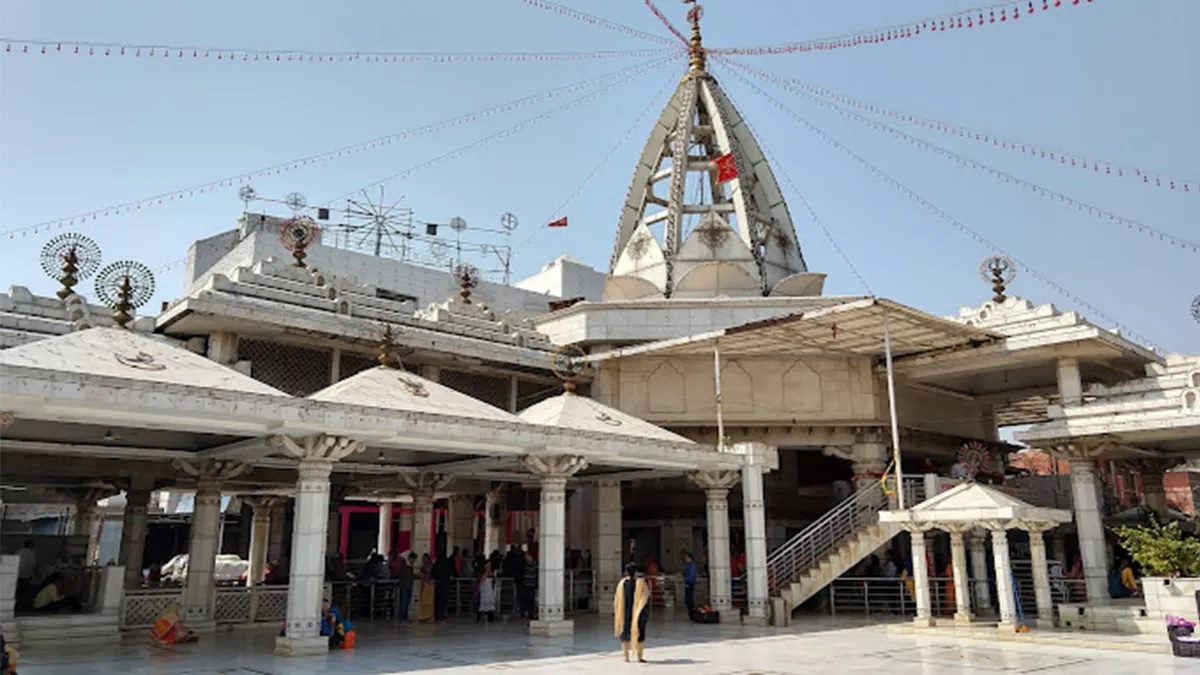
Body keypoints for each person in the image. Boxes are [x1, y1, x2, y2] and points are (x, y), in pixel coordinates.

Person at [613, 562, 650, 663]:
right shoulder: (641, 583)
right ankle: (639, 656)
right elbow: (645, 596)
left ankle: (626, 657)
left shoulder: (622, 584)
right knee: (639, 632)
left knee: (625, 633)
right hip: (637, 611)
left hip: (625, 611)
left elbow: (616, 599)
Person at [15, 540, 35, 611]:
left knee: (18, 590)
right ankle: (23, 606)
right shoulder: (31, 552)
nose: (33, 546)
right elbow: (33, 564)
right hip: (27, 575)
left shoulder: (18, 551)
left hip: (18, 574)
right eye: (33, 545)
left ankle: (17, 603)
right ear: (29, 545)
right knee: (25, 591)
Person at [396, 553, 416, 621]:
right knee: (404, 601)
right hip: (405, 585)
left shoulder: (409, 566)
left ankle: (405, 616)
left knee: (407, 601)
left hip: (408, 585)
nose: (413, 561)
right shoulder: (405, 566)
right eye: (413, 559)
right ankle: (403, 616)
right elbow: (408, 576)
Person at [519, 550, 538, 619]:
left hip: (531, 584)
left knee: (530, 600)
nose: (526, 557)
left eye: (527, 556)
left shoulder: (534, 564)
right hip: (525, 584)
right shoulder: (524, 564)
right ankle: (525, 612)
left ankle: (531, 613)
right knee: (525, 599)